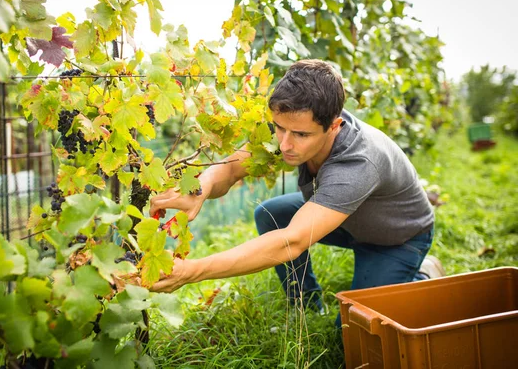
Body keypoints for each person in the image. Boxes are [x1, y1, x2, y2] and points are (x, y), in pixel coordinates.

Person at [149, 59, 440, 324]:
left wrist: (192, 271)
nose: (285, 144)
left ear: (334, 126)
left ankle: (420, 275)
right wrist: (201, 188)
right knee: (271, 214)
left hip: (396, 238)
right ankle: (307, 304)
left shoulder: (358, 162)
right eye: (280, 129)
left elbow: (292, 241)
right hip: (348, 220)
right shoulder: (291, 122)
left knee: (352, 327)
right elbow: (231, 168)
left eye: (301, 135)